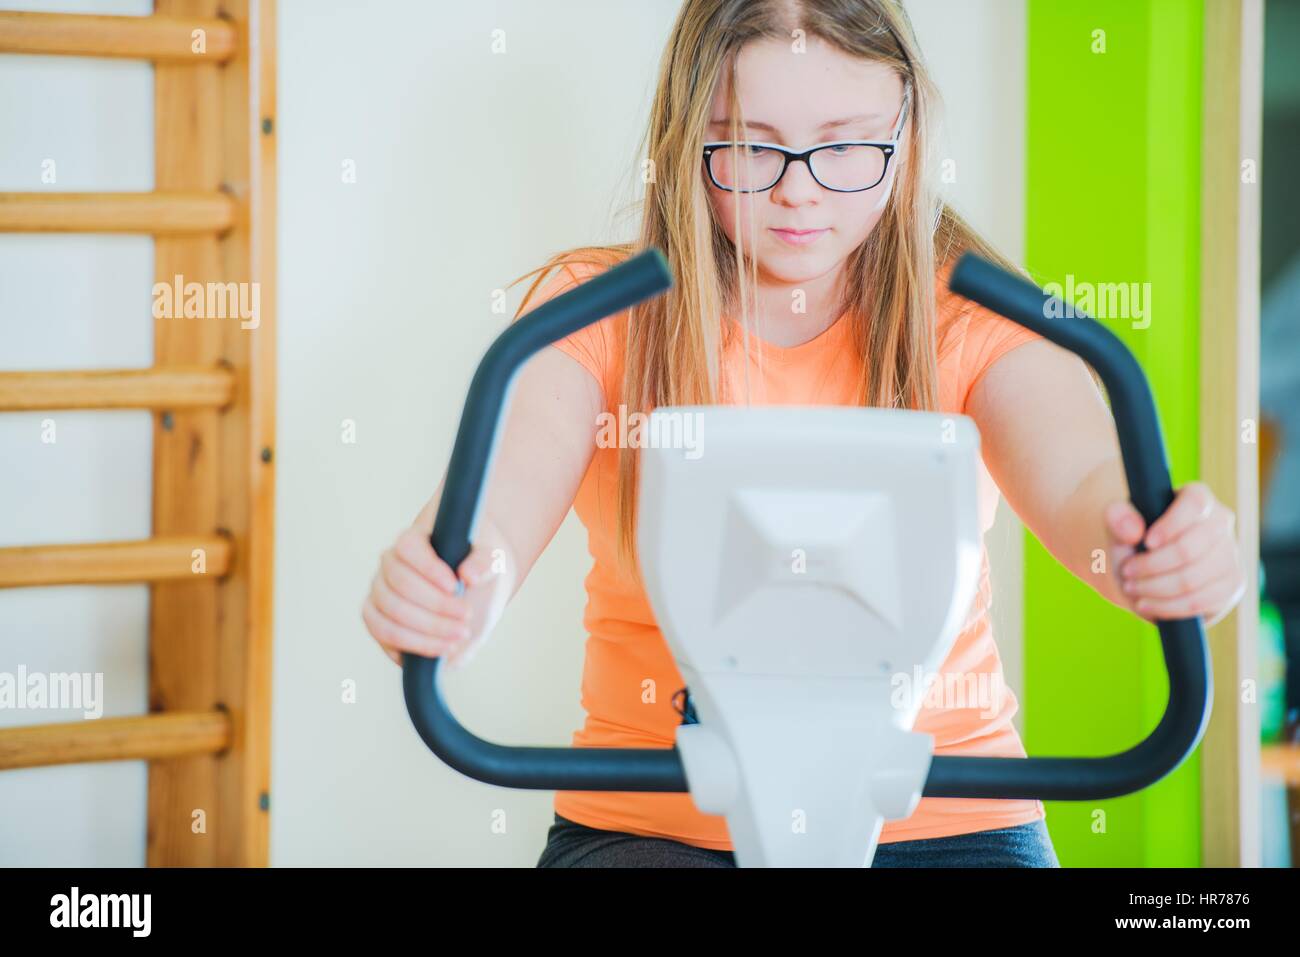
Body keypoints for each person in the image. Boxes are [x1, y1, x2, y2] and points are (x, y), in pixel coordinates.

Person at [362, 0, 1245, 867]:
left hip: (946, 818)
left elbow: (1089, 485)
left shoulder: (974, 317)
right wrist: (456, 588)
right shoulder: (596, 315)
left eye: (845, 144)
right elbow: (496, 513)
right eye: (748, 144)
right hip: (655, 820)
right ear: (684, 138)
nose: (798, 186)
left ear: (906, 131)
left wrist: (1154, 549)